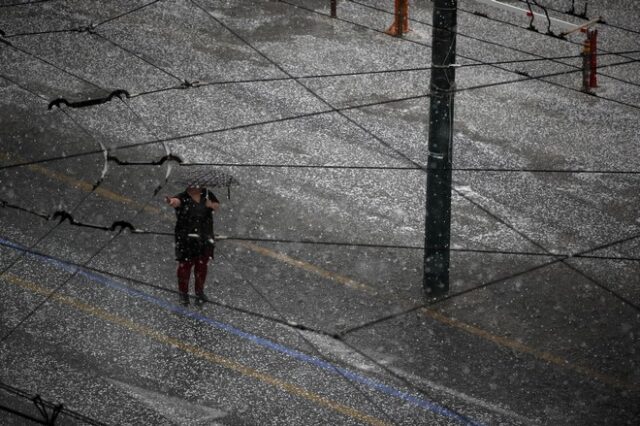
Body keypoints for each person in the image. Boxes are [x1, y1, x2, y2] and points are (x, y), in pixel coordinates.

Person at [165, 185, 220, 306]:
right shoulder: (183, 197)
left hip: (204, 237)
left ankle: (199, 292)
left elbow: (216, 205)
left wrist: (211, 205)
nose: (197, 187)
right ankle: (183, 294)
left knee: (202, 267)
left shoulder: (206, 194)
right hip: (186, 239)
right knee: (185, 267)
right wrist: (171, 201)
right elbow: (176, 202)